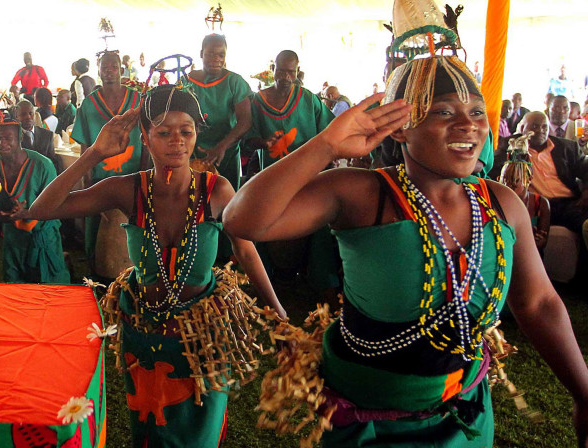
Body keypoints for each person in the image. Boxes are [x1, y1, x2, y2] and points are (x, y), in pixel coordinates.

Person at [224, 52, 588, 446]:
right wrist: (326, 145)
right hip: (366, 424)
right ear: (400, 129)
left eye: (476, 112)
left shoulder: (501, 204)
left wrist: (584, 393)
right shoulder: (363, 194)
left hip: (465, 416)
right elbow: (242, 220)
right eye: (444, 111)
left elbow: (538, 304)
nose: (468, 124)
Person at [20, 84, 286, 447]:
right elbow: (41, 210)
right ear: (144, 137)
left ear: (196, 135)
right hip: (144, 333)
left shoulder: (217, 190)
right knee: (152, 426)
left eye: (186, 131)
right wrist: (95, 152)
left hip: (203, 335)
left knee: (199, 433)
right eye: (163, 133)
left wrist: (279, 314)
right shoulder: (128, 189)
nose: (177, 141)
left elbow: (246, 251)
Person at [247, 50, 338, 295]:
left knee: (316, 223)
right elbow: (247, 137)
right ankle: (265, 278)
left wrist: (328, 160)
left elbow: (329, 131)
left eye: (291, 72)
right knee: (267, 221)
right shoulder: (257, 101)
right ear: (272, 69)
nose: (285, 77)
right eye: (281, 71)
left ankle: (321, 280)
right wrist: (264, 142)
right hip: (272, 177)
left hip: (308, 175)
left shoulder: (308, 99)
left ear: (298, 72)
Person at [71, 51, 145, 263]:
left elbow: (147, 140)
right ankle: (94, 268)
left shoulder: (138, 100)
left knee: (133, 225)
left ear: (121, 70)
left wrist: (144, 173)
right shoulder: (89, 105)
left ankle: (133, 267)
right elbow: (85, 144)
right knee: (97, 226)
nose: (109, 71)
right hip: (99, 177)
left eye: (113, 67)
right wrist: (86, 179)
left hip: (132, 175)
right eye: (104, 67)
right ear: (99, 71)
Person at [0, 122, 69, 284]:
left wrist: (28, 214)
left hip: (43, 237)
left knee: (49, 285)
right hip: (13, 238)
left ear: (20, 138)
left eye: (8, 138)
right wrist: (4, 216)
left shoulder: (43, 165)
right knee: (14, 285)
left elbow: (55, 205)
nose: (2, 143)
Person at [496, 111, 588, 235]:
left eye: (544, 127)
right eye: (534, 126)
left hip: (571, 202)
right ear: (522, 128)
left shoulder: (567, 147)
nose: (540, 130)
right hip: (540, 206)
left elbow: (585, 169)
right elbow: (496, 171)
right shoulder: (513, 148)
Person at [184, 34, 253, 191]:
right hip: (193, 152)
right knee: (193, 196)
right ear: (201, 54)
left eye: (221, 55)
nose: (216, 59)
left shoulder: (234, 82)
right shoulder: (186, 82)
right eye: (210, 54)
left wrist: (221, 147)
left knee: (226, 196)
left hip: (226, 153)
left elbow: (245, 121)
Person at [498, 134, 550, 254]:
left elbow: (542, 242)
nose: (509, 185)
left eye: (515, 181)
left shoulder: (541, 203)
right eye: (505, 181)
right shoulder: (497, 201)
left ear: (529, 179)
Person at [16, 99, 57, 165]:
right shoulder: (14, 137)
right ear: (16, 117)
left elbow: (51, 162)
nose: (28, 117)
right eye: (23, 114)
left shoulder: (47, 135)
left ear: (35, 114)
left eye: (31, 113)